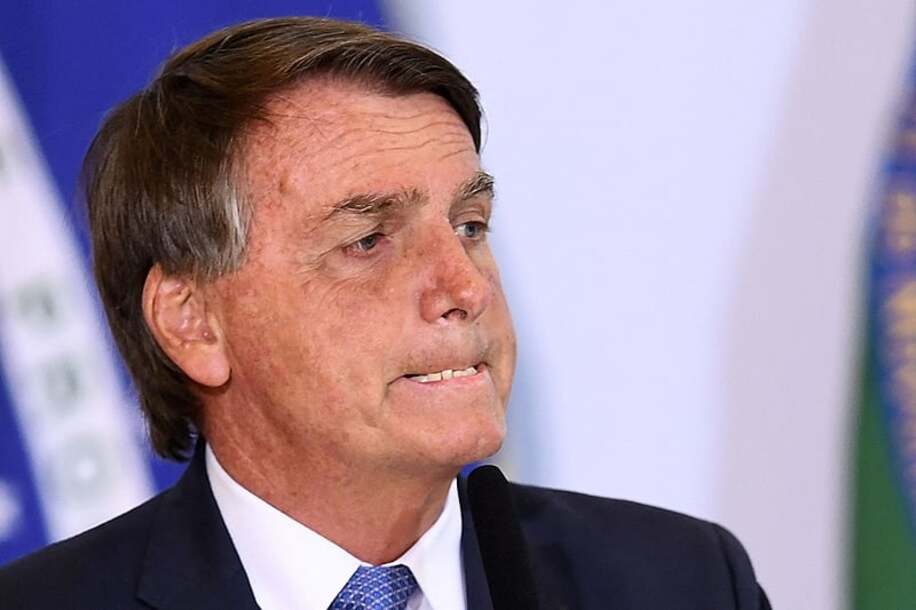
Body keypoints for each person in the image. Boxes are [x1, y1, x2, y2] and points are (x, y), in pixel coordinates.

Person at [0, 17, 771, 609]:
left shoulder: (683, 581)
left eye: (469, 226)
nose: (464, 287)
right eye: (368, 241)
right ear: (192, 321)